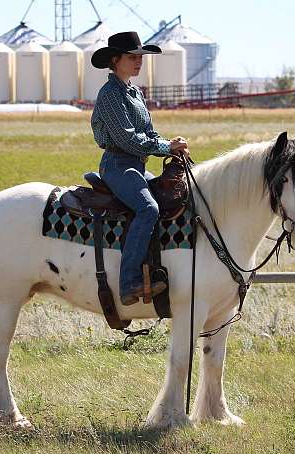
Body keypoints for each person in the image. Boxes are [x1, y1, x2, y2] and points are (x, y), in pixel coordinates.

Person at [90, 31, 189, 306]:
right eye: (132, 57)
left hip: (135, 164)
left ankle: (158, 265)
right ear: (115, 60)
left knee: (175, 197)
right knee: (148, 208)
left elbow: (148, 133)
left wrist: (171, 145)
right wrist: (166, 148)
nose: (138, 61)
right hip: (117, 165)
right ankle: (129, 281)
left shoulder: (134, 92)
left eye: (140, 57)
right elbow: (127, 138)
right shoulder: (110, 94)